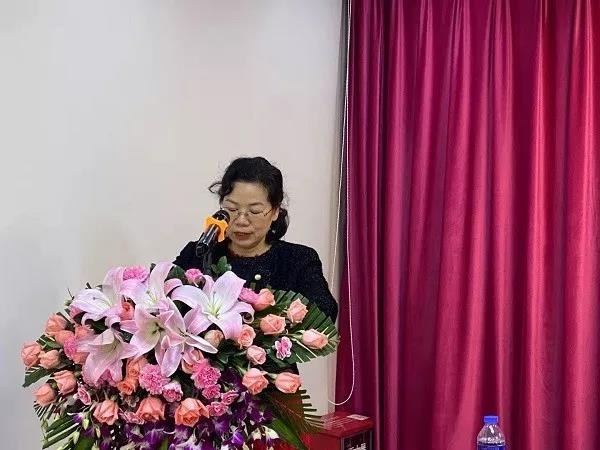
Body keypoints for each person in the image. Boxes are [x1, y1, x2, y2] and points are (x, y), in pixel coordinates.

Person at [174, 156, 338, 321]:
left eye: (255, 211)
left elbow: (324, 313)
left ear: (275, 211)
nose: (241, 221)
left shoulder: (298, 260)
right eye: (231, 209)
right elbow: (166, 303)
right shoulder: (198, 253)